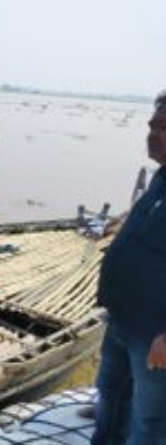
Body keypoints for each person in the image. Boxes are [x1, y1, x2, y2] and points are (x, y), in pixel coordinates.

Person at [92, 92, 166, 445]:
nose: (152, 133)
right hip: (121, 319)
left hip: (155, 334)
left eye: (164, 127)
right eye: (152, 125)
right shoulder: (160, 178)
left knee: (148, 419)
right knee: (110, 395)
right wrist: (123, 221)